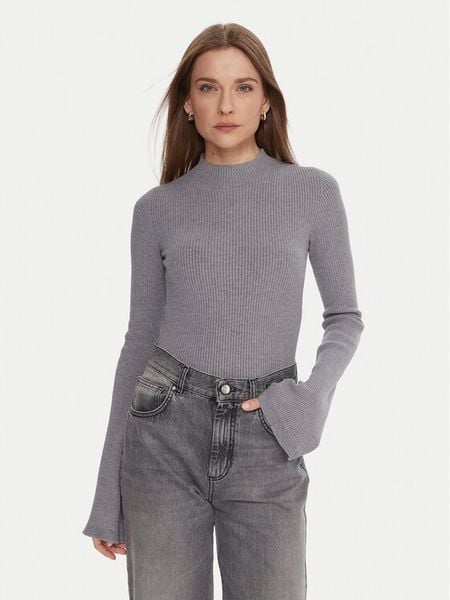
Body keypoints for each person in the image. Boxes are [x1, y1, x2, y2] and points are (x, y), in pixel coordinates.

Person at [82, 22, 365, 600]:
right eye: (209, 88)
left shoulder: (312, 192)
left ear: (266, 101)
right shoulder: (156, 210)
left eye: (244, 87)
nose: (227, 105)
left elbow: (344, 318)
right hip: (163, 436)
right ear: (188, 104)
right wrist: (107, 493)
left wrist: (309, 400)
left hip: (268, 433)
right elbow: (139, 342)